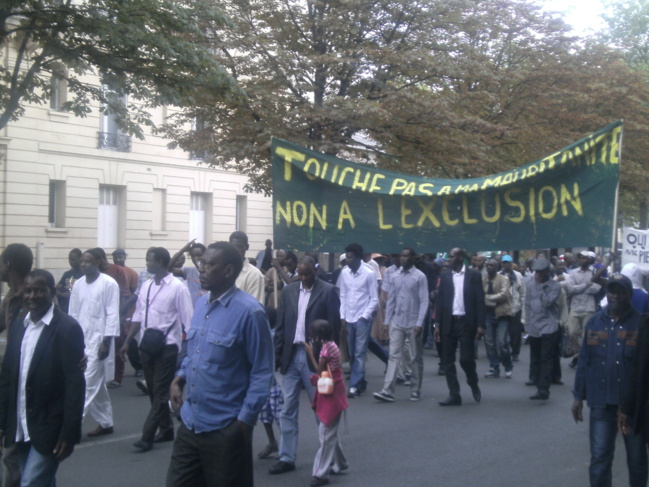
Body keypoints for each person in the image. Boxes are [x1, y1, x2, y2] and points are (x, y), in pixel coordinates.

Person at [166, 242, 274, 487]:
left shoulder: (250, 313)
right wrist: (179, 378)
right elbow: (195, 352)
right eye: (201, 262)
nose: (200, 268)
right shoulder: (202, 304)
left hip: (225, 428)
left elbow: (262, 372)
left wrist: (243, 423)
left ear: (228, 271)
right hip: (190, 422)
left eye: (208, 264)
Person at [0, 270, 86, 487]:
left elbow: (75, 384)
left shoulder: (67, 328)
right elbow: (8, 377)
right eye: (28, 291)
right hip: (21, 423)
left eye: (39, 291)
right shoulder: (20, 326)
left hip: (50, 427)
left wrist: (70, 433)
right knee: (42, 482)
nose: (32, 296)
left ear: (52, 292)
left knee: (30, 482)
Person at [572, 274, 647, 487]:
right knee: (600, 458)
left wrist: (634, 405)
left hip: (632, 407)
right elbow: (585, 359)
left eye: (620, 291)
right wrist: (578, 396)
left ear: (629, 294)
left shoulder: (641, 324)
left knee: (637, 460)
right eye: (612, 291)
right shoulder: (595, 321)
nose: (615, 296)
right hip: (601, 403)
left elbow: (643, 371)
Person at [269, 256, 341, 475]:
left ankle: (333, 460)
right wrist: (278, 356)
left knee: (323, 411)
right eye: (300, 274)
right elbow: (281, 326)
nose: (303, 278)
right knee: (287, 409)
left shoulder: (328, 291)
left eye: (307, 274)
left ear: (315, 271)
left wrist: (329, 362)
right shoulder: (290, 291)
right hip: (291, 356)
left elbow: (334, 329)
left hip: (317, 359)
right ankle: (286, 457)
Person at [120, 247, 193, 452]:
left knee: (160, 391)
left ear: (161, 262)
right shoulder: (147, 286)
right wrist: (127, 342)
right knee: (153, 390)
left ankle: (147, 436)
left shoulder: (178, 288)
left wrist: (191, 349)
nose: (147, 263)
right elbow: (138, 316)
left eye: (150, 260)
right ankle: (166, 428)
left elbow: (189, 320)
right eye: (146, 259)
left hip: (168, 346)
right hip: (147, 345)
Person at [68, 249, 120, 437]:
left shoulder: (108, 284)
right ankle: (106, 424)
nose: (83, 265)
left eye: (87, 262)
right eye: (82, 262)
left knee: (85, 384)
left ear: (98, 262)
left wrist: (106, 342)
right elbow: (72, 314)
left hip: (99, 343)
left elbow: (113, 313)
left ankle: (70, 428)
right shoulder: (78, 285)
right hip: (81, 342)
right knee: (95, 387)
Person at [373, 247, 428, 403]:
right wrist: (386, 321)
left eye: (406, 256)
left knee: (415, 357)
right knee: (393, 355)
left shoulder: (420, 277)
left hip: (413, 322)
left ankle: (415, 390)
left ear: (413, 258)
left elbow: (424, 300)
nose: (403, 259)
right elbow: (391, 300)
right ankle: (387, 390)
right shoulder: (395, 276)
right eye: (401, 256)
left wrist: (419, 323)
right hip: (397, 321)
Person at [0, 244, 33, 487]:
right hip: (11, 380)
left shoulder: (32, 296)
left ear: (8, 265)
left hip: (29, 383)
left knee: (18, 452)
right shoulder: (11, 298)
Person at [434, 248, 485, 406]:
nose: (449, 259)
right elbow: (441, 301)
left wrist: (480, 325)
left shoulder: (473, 275)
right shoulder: (445, 276)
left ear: (461, 257)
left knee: (465, 359)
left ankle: (473, 380)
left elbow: (479, 300)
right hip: (449, 322)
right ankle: (454, 394)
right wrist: (437, 324)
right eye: (448, 256)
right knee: (447, 360)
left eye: (452, 256)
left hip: (466, 322)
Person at [304, 320, 349, 487]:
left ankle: (320, 473)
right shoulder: (332, 345)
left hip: (331, 393)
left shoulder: (325, 350)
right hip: (336, 389)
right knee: (331, 432)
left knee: (325, 433)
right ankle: (341, 463)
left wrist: (309, 352)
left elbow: (319, 370)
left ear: (317, 335)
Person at [338, 243, 378, 398]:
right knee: (352, 353)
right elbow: (343, 296)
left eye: (350, 257)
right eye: (346, 256)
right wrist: (342, 316)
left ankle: (354, 386)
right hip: (348, 318)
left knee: (360, 353)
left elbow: (374, 299)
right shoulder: (345, 273)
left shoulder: (369, 273)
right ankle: (360, 381)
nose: (347, 260)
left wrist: (365, 316)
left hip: (362, 318)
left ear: (358, 257)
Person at [525, 257, 562, 400]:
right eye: (536, 272)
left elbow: (547, 303)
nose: (538, 275)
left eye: (541, 272)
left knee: (546, 358)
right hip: (534, 325)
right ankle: (535, 381)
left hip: (549, 326)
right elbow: (528, 306)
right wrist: (527, 325)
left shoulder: (555, 286)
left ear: (547, 272)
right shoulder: (529, 285)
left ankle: (544, 389)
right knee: (536, 358)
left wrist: (540, 286)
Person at [566, 251, 601, 369]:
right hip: (575, 307)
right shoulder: (574, 272)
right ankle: (578, 354)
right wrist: (586, 285)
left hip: (588, 307)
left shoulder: (595, 273)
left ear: (590, 260)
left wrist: (579, 288)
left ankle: (586, 356)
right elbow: (570, 288)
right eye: (580, 258)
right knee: (571, 332)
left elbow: (597, 288)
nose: (582, 260)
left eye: (585, 258)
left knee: (587, 334)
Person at [483, 258, 514, 379]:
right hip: (488, 315)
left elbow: (503, 295)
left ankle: (508, 365)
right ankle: (494, 367)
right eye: (488, 265)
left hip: (501, 314)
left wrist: (487, 298)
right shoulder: (483, 280)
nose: (489, 267)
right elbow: (480, 295)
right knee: (489, 343)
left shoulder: (504, 279)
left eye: (492, 265)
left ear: (497, 268)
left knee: (502, 342)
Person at [500, 254, 526, 362]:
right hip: (502, 308)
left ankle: (515, 353)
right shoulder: (498, 276)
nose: (506, 264)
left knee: (515, 333)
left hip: (515, 308)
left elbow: (523, 293)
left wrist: (524, 312)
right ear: (502, 264)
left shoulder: (518, 275)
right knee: (502, 333)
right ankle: (503, 352)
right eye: (504, 262)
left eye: (508, 262)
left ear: (511, 263)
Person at [169, 240, 208, 306]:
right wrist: (183, 250)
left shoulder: (212, 271)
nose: (196, 258)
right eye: (193, 256)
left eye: (199, 255)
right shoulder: (189, 271)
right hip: (192, 311)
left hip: (206, 309)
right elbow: (168, 268)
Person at [229, 231, 264, 303]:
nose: (236, 250)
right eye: (233, 247)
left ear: (247, 247)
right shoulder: (222, 271)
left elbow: (255, 307)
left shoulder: (255, 274)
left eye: (240, 247)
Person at [55, 248, 83, 314]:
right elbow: (56, 288)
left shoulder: (84, 274)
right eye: (69, 259)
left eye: (73, 259)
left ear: (80, 259)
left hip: (78, 308)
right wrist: (62, 294)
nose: (71, 262)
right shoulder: (67, 274)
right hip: (65, 307)